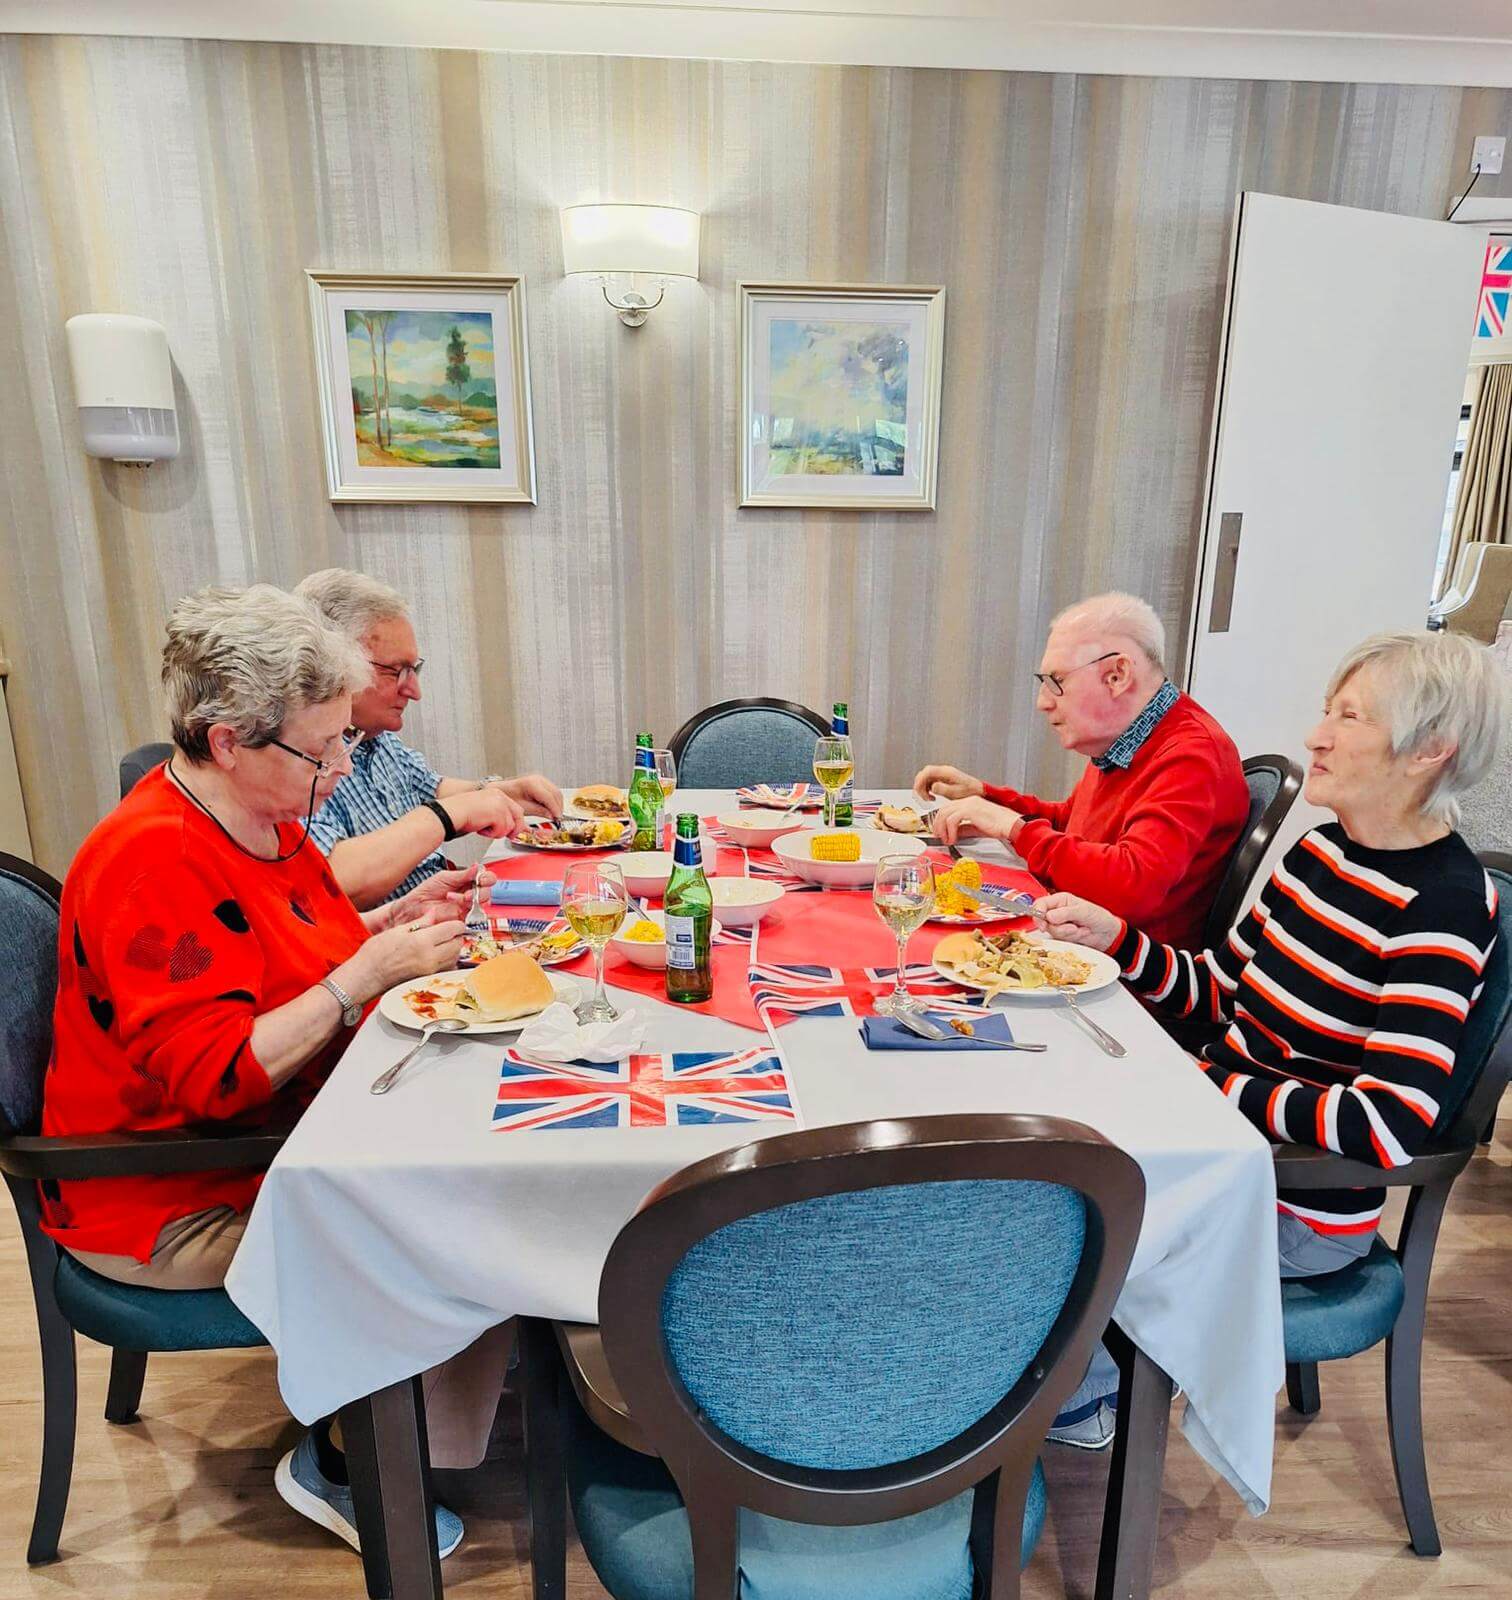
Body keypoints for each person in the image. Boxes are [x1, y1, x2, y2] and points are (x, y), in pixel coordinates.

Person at [40, 584, 505, 1557]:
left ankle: (440, 1416)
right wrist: (366, 972)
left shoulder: (266, 819)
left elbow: (300, 946)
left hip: (268, 1137)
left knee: (478, 1165)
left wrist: (390, 927)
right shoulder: (152, 859)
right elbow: (214, 1077)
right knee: (455, 1221)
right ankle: (346, 1453)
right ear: (226, 740)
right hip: (170, 1192)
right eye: (320, 747)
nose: (341, 767)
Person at [1037, 630, 1504, 1446]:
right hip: (1213, 1142)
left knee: (1040, 1208)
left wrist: (1210, 1086)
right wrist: (1114, 938)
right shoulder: (1321, 853)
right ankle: (1042, 1386)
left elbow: (1387, 1124)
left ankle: (1078, 1401)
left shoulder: (1444, 908)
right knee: (1030, 1134)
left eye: (1349, 717)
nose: (1316, 734)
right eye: (1328, 710)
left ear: (1430, 749)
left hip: (1292, 1202)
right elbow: (1220, 991)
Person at [915, 592, 1248, 949]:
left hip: (1121, 980)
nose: (1043, 702)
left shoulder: (1192, 755)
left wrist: (1014, 829)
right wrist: (986, 799)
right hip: (1077, 938)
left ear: (1117, 675)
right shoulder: (1129, 739)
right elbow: (1073, 824)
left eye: (1057, 681)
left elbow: (1131, 886)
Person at [295, 569, 564, 908]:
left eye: (414, 670)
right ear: (334, 663)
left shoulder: (375, 736)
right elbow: (334, 880)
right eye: (397, 671)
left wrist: (506, 791)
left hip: (438, 911)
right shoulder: (298, 754)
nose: (414, 691)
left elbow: (433, 789)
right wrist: (446, 815)